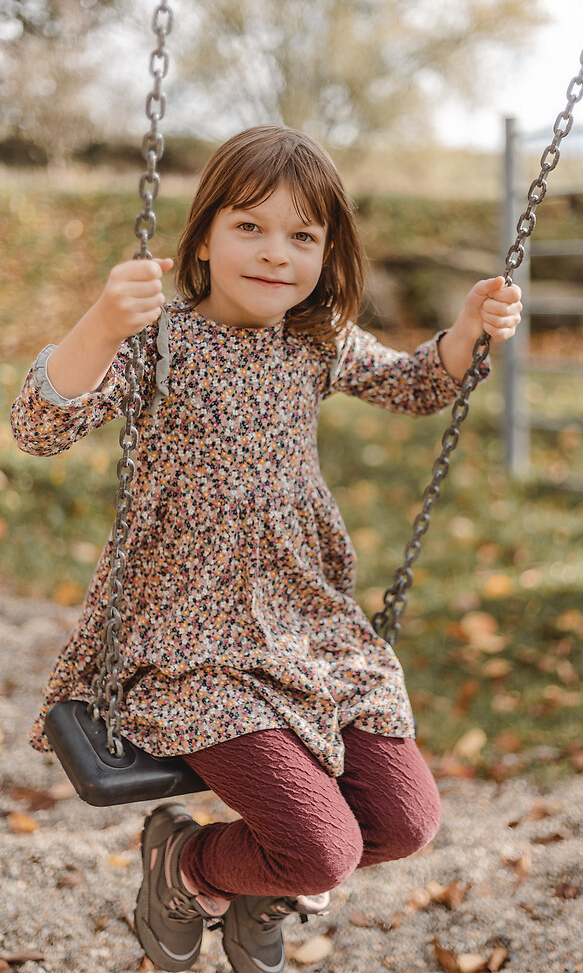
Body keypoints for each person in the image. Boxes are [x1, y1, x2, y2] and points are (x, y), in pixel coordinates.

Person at [11, 125, 522, 973]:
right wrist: (101, 323)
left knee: (403, 824)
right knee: (323, 850)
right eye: (249, 226)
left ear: (326, 253)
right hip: (192, 641)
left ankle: (247, 878)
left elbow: (418, 384)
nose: (276, 252)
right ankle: (188, 865)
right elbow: (38, 426)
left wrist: (468, 329)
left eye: (302, 235)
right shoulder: (158, 343)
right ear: (202, 240)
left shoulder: (315, 341)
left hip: (308, 631)